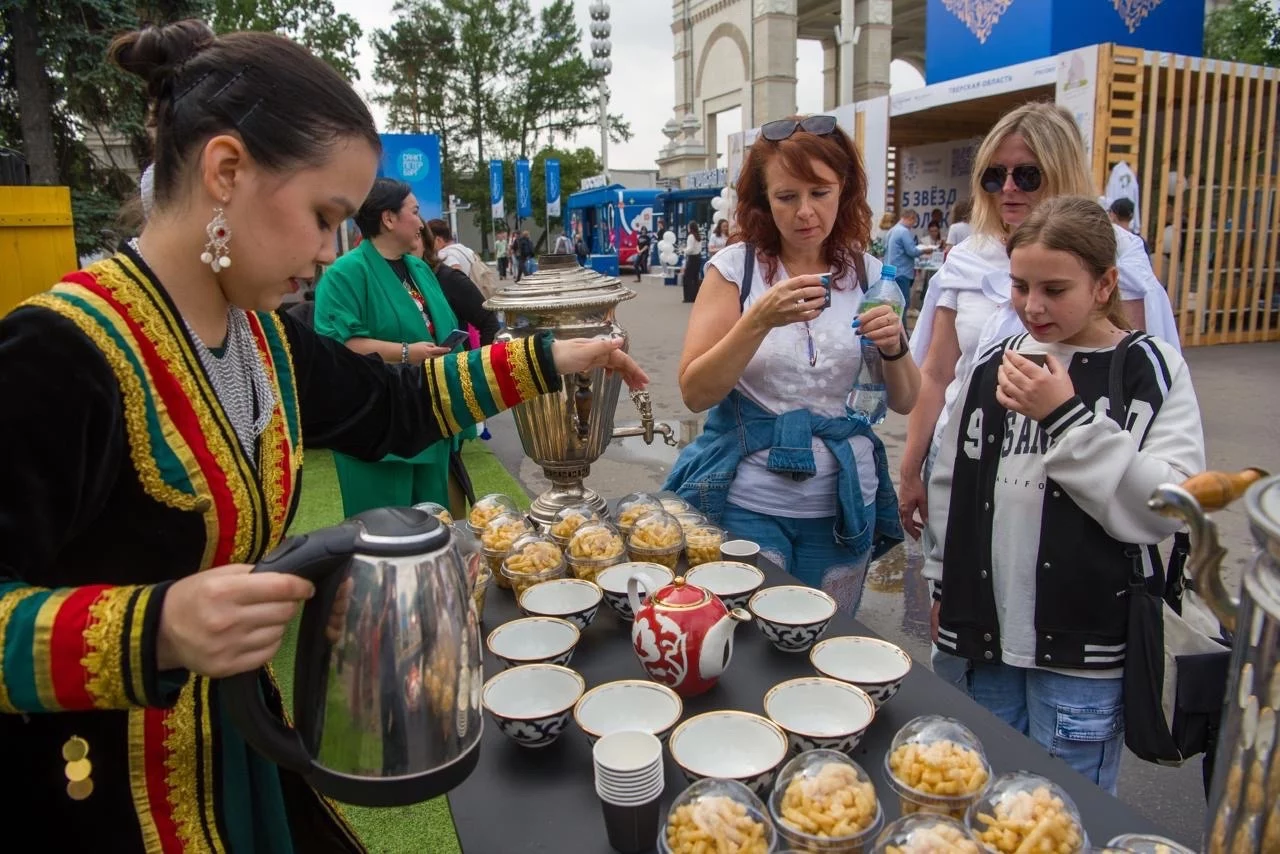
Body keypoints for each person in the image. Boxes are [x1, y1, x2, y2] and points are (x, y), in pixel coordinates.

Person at [0, 20, 646, 851]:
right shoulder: (58, 353)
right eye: (321, 214)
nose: (328, 248)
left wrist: (557, 355)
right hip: (106, 800)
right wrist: (153, 628)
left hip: (242, 759)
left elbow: (393, 404)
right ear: (226, 171)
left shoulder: (262, 335)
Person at [923, 196, 1205, 794]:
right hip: (986, 636)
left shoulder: (1146, 367)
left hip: (1087, 652)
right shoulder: (996, 361)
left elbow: (1169, 508)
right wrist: (943, 580)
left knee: (1061, 810)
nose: (1033, 306)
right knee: (978, 795)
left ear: (1104, 284)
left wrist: (1068, 420)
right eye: (1021, 286)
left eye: (1055, 288)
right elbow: (953, 477)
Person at [899, 102, 1181, 689]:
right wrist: (913, 466)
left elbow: (1134, 380)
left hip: (1072, 496)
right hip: (970, 472)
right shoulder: (967, 259)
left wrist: (1067, 419)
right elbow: (937, 372)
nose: (1006, 188)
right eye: (992, 175)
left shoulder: (1114, 259)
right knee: (969, 682)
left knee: (1059, 689)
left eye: (1025, 173)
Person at [664, 113, 917, 612]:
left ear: (844, 189)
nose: (805, 212)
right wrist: (757, 320)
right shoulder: (735, 269)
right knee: (751, 646)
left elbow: (907, 398)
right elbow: (695, 392)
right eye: (786, 197)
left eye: (820, 192)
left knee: (828, 642)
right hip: (749, 502)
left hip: (846, 501)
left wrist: (896, 347)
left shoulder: (869, 274)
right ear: (763, 200)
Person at [419, 226, 499, 345]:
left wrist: (481, 360)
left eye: (417, 236)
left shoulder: (447, 265)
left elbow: (456, 270)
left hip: (455, 354)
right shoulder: (464, 249)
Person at [884, 208, 932, 306]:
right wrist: (925, 250)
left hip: (891, 271)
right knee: (902, 303)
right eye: (914, 222)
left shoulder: (892, 230)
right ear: (910, 218)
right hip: (902, 272)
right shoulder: (904, 231)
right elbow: (912, 251)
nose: (913, 225)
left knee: (892, 302)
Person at [680, 222, 703, 303]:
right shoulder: (698, 236)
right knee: (695, 278)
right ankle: (695, 296)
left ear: (690, 228)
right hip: (698, 258)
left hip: (692, 258)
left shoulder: (690, 236)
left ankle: (688, 297)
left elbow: (690, 249)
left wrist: (683, 250)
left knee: (687, 278)